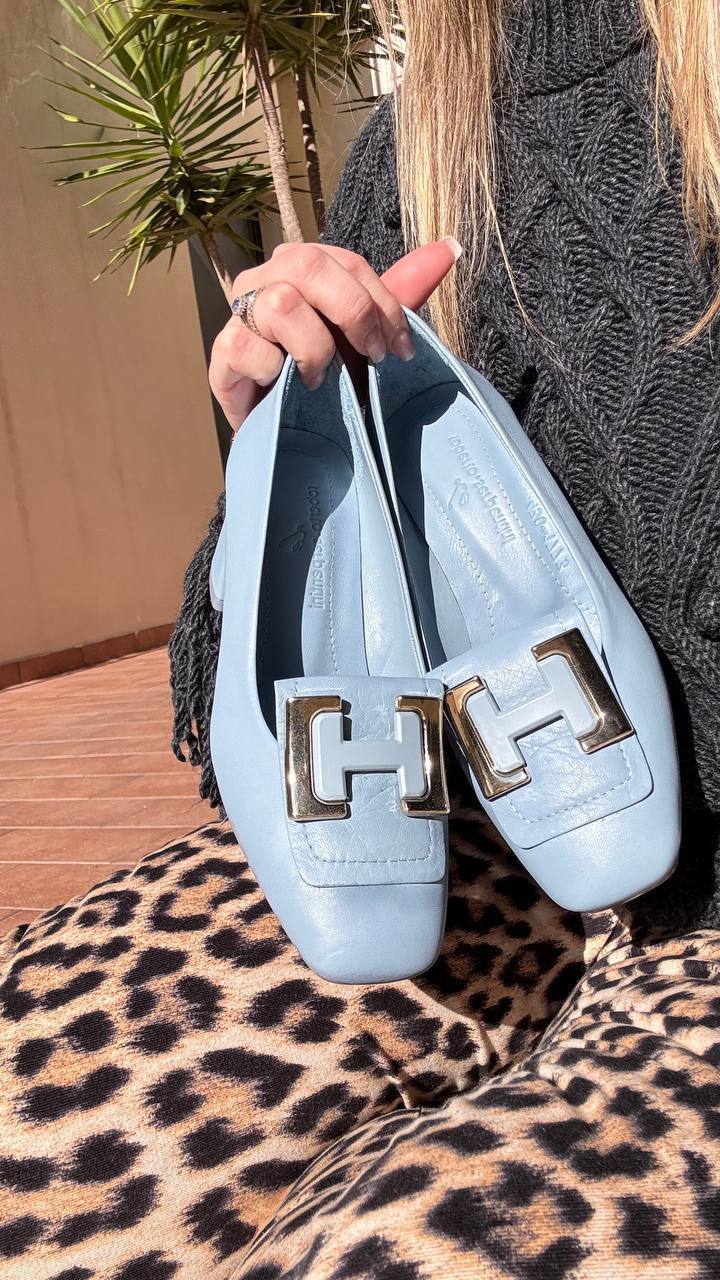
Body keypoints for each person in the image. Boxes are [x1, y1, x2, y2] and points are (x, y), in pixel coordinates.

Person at [2, 2, 720, 1277]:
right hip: (500, 850)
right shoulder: (430, 130)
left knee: (405, 1246)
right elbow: (237, 700)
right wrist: (278, 454)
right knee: (32, 1090)